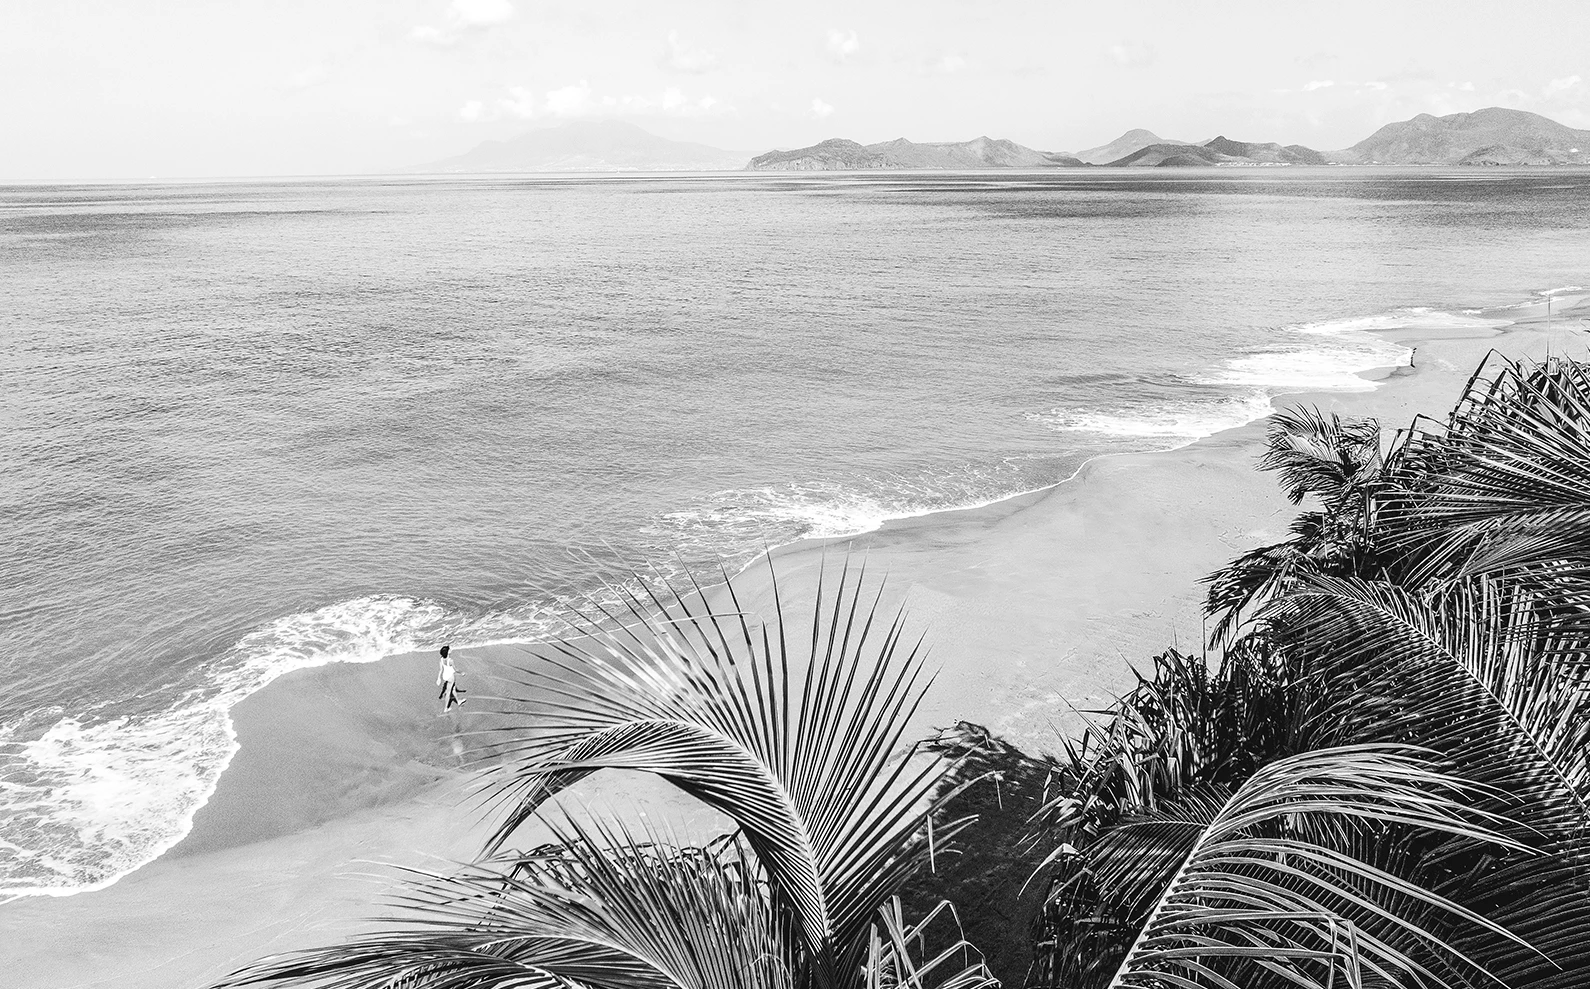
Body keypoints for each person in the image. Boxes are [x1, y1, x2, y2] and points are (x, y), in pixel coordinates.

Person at [437, 644, 466, 710]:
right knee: (448, 693)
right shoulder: (450, 661)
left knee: (453, 689)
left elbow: (441, 669)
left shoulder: (441, 659)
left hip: (445, 676)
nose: (450, 650)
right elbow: (456, 670)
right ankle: (445, 708)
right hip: (450, 677)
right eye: (449, 649)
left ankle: (458, 701)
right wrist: (461, 673)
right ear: (447, 653)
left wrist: (439, 678)